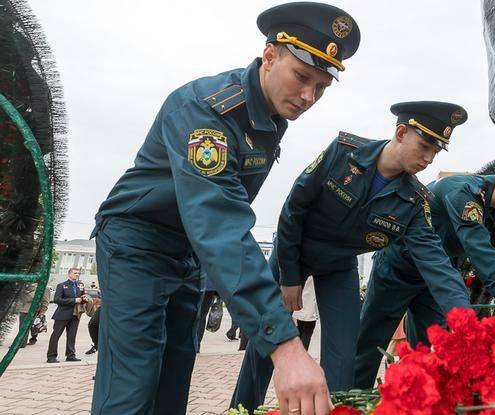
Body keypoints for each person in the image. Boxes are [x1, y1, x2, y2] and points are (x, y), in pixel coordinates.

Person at [88, 3, 361, 414]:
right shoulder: (208, 109)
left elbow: (220, 222)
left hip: (189, 250)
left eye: (321, 87)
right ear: (270, 56)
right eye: (302, 77)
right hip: (137, 242)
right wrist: (285, 347)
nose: (309, 96)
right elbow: (220, 222)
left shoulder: (269, 118)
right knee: (132, 383)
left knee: (173, 380)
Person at [233, 101, 474, 409]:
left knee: (344, 357)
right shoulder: (343, 153)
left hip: (338, 266)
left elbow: (437, 263)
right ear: (400, 132)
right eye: (424, 146)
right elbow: (294, 209)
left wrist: (466, 320)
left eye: (435, 153)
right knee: (266, 342)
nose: (428, 159)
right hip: (293, 251)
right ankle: (242, 408)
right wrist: (290, 276)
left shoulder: (414, 201)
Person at [353, 159, 495, 389]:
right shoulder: (463, 192)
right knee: (368, 348)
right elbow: (488, 264)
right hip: (398, 271)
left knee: (429, 352)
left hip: (434, 283)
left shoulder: (489, 211)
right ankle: (349, 404)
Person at [47, 267, 87, 363]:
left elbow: (82, 296)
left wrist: (84, 298)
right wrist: (73, 300)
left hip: (75, 315)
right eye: (75, 273)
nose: (77, 275)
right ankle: (51, 357)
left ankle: (70, 355)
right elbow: (57, 299)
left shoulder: (80, 285)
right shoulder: (62, 285)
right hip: (62, 315)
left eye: (78, 273)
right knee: (56, 336)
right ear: (69, 274)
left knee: (72, 336)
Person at [14, 283, 48, 347]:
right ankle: (22, 343)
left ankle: (28, 341)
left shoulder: (44, 288)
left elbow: (45, 301)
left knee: (34, 327)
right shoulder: (26, 286)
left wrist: (42, 312)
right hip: (24, 310)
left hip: (34, 311)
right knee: (23, 328)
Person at [293, 277, 318, 351]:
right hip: (307, 307)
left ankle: (299, 356)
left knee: (300, 334)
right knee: (305, 334)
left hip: (300, 305)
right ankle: (300, 357)